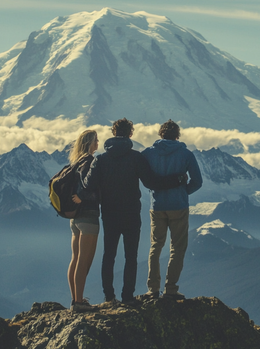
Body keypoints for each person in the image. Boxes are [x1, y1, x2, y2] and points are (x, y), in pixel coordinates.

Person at [83, 118, 186, 306]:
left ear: (113, 133)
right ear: (131, 134)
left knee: (109, 255)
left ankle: (108, 297)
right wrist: (177, 180)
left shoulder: (101, 159)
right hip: (131, 213)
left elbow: (88, 184)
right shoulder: (136, 158)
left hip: (109, 213)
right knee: (131, 256)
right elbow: (151, 183)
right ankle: (128, 296)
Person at [142, 119, 203, 300]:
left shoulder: (148, 154)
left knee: (156, 246)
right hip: (179, 206)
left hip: (157, 206)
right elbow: (197, 181)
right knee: (177, 248)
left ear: (161, 134)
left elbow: (144, 177)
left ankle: (152, 289)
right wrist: (183, 192)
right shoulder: (185, 154)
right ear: (177, 135)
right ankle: (171, 289)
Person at [67, 129, 100, 312]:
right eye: (96, 140)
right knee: (84, 260)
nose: (98, 142)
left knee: (75, 259)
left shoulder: (76, 161)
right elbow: (90, 185)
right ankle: (79, 302)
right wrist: (84, 196)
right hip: (88, 216)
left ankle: (75, 299)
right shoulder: (89, 162)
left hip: (75, 218)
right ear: (89, 143)